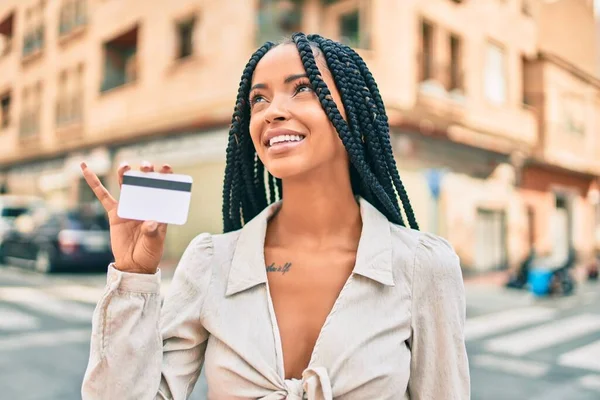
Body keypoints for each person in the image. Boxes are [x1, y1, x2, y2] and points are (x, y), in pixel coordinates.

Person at [80, 33, 470, 400]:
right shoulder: (211, 263)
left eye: (302, 89)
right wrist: (133, 275)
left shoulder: (423, 267)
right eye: (258, 100)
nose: (273, 112)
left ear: (352, 114)